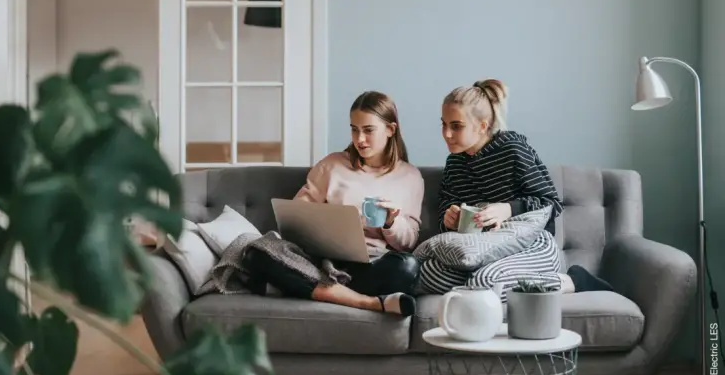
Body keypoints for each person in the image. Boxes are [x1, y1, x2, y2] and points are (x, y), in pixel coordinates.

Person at [418, 79, 613, 300]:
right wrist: (449, 218)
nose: (447, 134)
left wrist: (508, 209)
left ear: (482, 125)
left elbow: (550, 203)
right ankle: (482, 283)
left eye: (456, 126)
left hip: (532, 245)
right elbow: (447, 205)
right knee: (427, 274)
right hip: (482, 249)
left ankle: (574, 280)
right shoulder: (454, 163)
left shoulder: (512, 149)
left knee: (486, 282)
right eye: (443, 124)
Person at [243, 91, 424, 316]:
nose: (359, 139)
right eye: (354, 129)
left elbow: (409, 242)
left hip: (370, 265)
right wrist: (329, 221)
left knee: (407, 266)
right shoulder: (332, 164)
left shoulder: (410, 176)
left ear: (390, 130)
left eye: (368, 130)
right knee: (258, 251)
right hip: (320, 261)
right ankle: (364, 302)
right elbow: (297, 215)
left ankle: (303, 287)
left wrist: (390, 223)